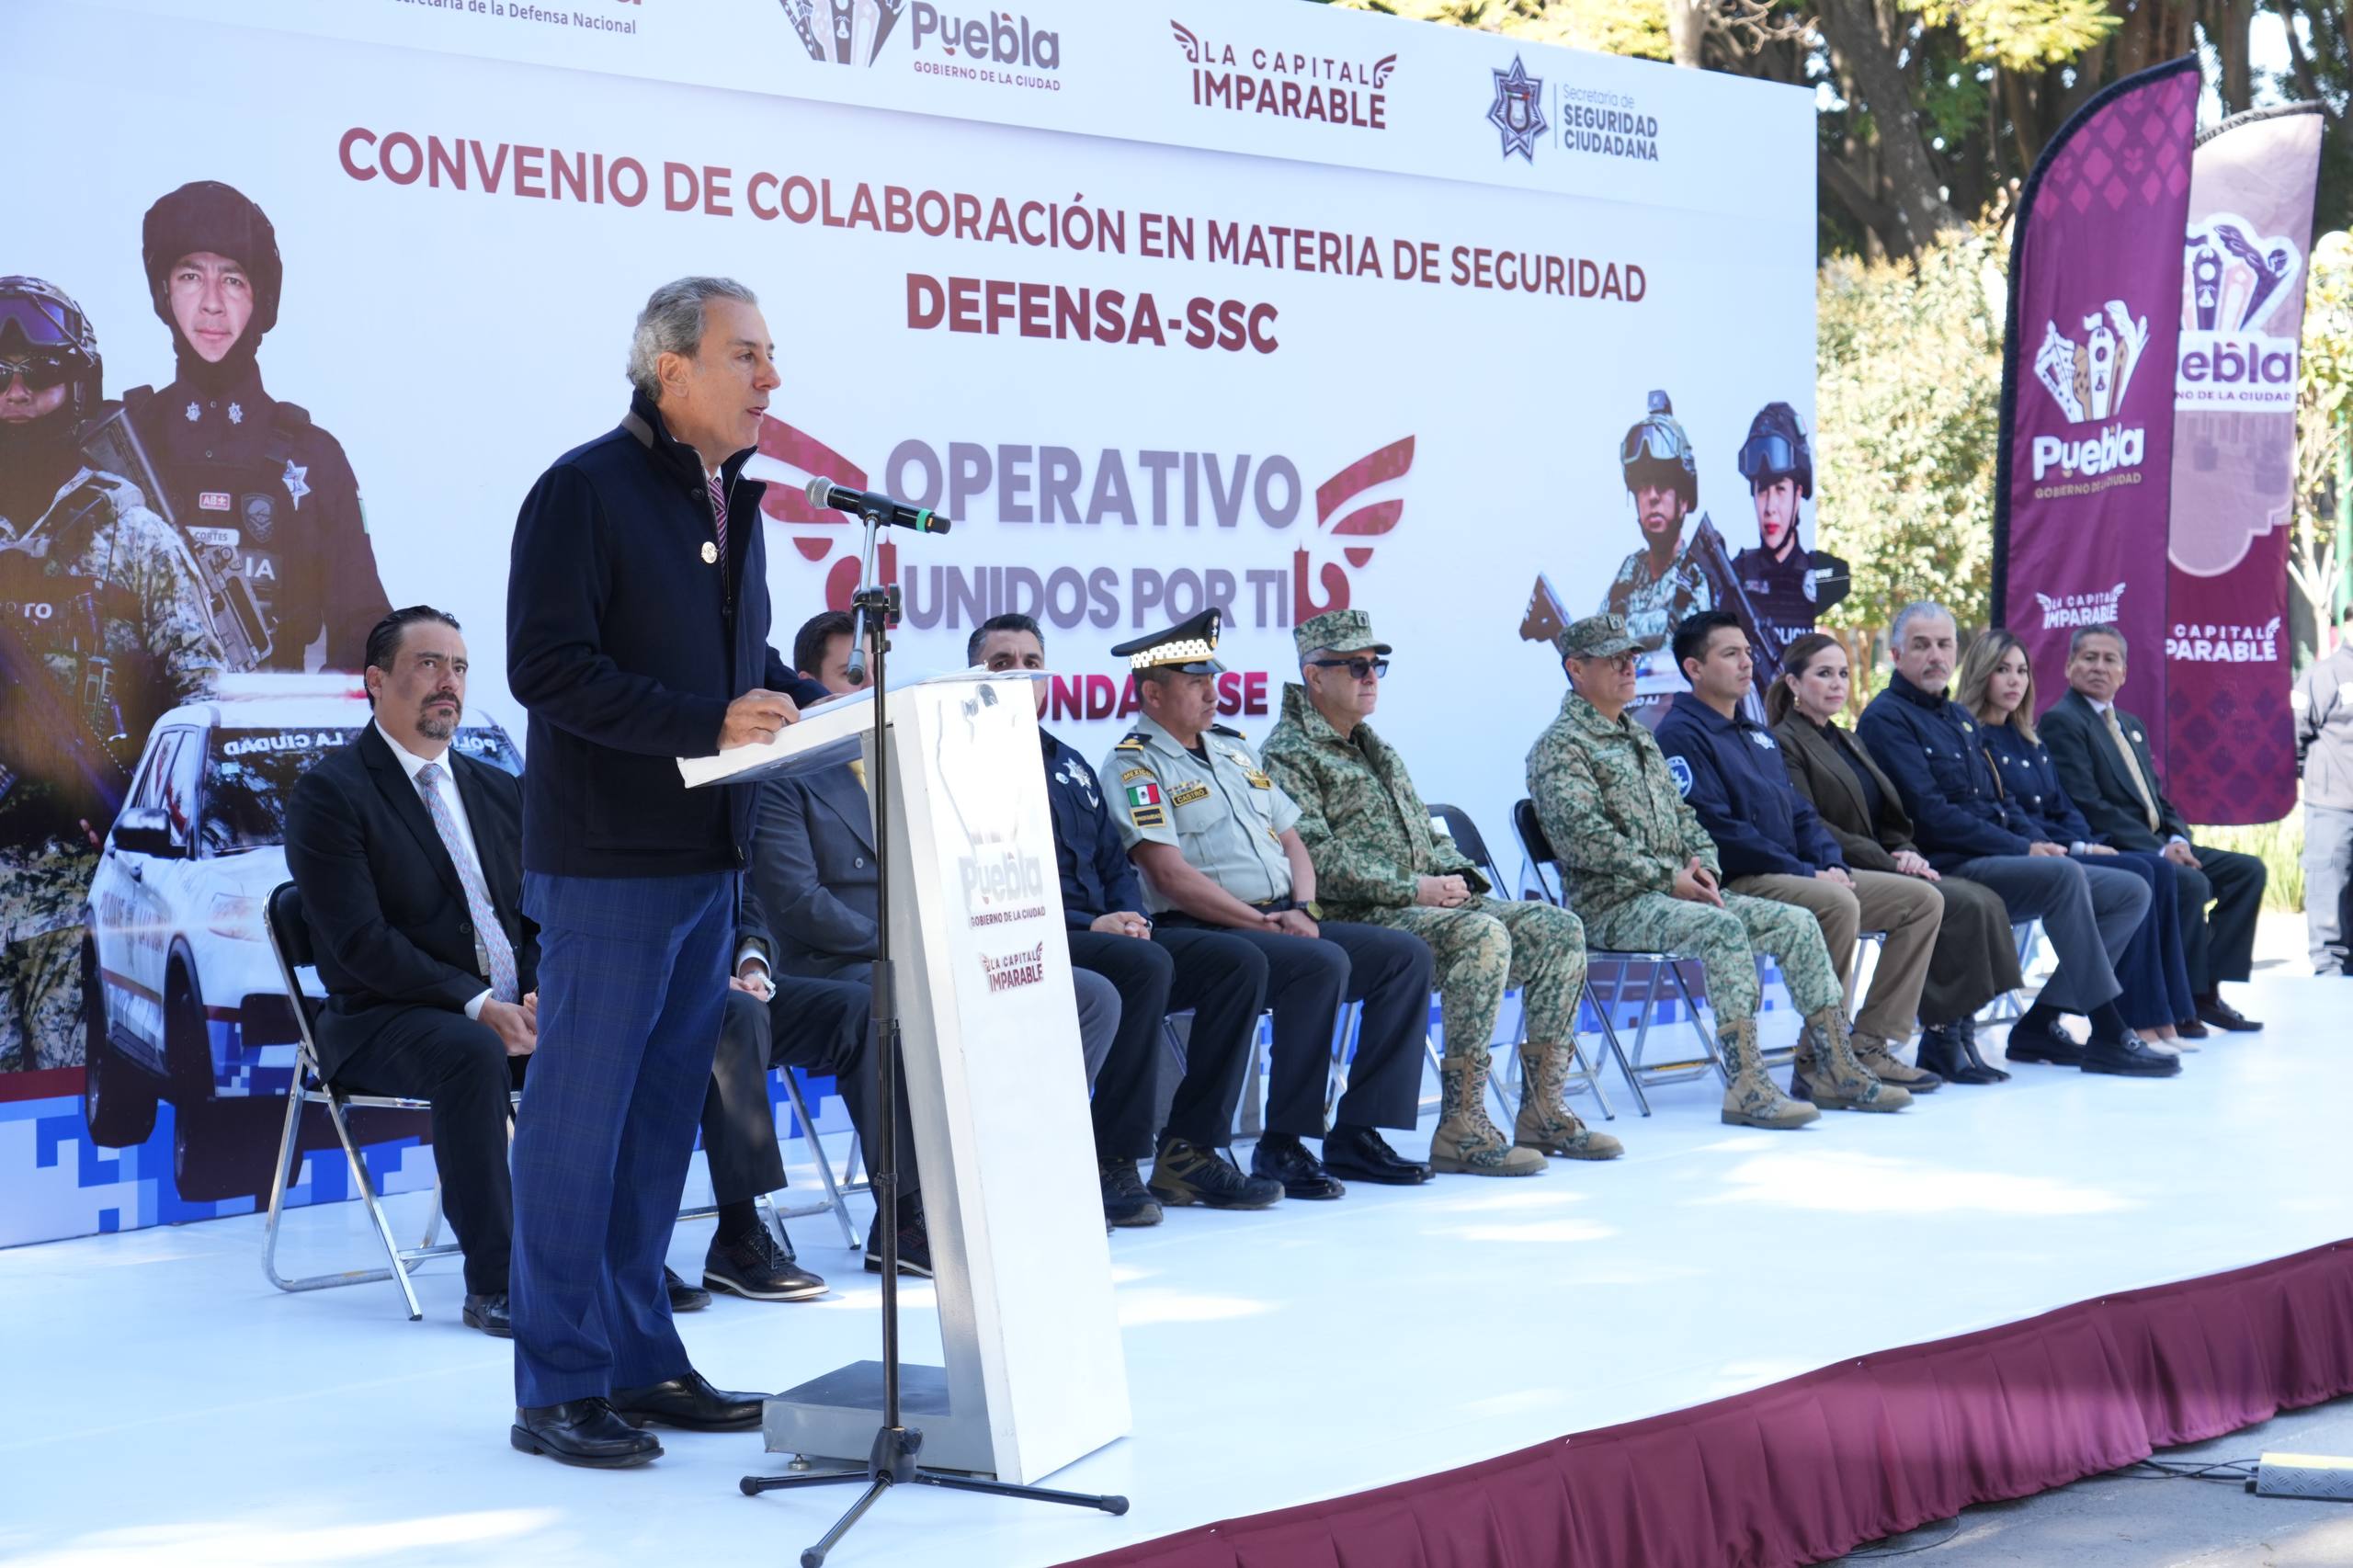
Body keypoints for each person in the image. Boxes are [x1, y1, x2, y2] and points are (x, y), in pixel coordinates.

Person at [502, 277, 823, 1468]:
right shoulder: (583, 489)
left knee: (651, 1137)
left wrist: (826, 700)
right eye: (748, 354)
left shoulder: (735, 503)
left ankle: (639, 1356)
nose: (771, 378)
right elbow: (546, 667)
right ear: (671, 367)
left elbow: (741, 666)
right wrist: (706, 719)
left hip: (705, 858)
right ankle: (559, 1382)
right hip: (610, 864)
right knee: (576, 1132)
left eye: (771, 355)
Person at [755, 609, 1128, 1251]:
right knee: (897, 1006)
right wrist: (912, 944)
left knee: (1090, 995)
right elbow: (799, 904)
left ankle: (1017, 1174)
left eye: (879, 674)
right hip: (842, 962)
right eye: (852, 676)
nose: (872, 690)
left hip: (941, 949)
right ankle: (907, 1215)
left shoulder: (921, 761)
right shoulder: (786, 777)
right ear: (808, 686)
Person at [1259, 608, 1620, 1174]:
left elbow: (1427, 833)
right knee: (1480, 936)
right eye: (1355, 666)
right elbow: (1315, 857)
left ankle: (1543, 1110)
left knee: (1557, 928)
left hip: (1416, 905)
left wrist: (1458, 879)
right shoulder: (1288, 753)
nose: (1371, 676)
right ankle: (1462, 1125)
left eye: (1376, 665)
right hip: (1353, 918)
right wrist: (1416, 887)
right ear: (1314, 676)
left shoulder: (1372, 745)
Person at [1100, 608, 1436, 1199]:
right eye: (1196, 683)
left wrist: (1303, 908)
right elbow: (1169, 875)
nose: (1213, 693)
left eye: (1213, 679)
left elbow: (1292, 840)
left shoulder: (1234, 750)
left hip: (1281, 916)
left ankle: (1357, 1132)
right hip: (1205, 927)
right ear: (1153, 694)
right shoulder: (1134, 765)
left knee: (1404, 956)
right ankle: (1282, 1142)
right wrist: (1263, 922)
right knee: (1319, 963)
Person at [969, 613, 1281, 1221]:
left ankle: (1190, 1150)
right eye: (1001, 663)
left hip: (1107, 934)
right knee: (1141, 966)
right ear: (972, 677)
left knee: (1237, 963)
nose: (1018, 675)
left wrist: (1132, 916)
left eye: (1032, 663)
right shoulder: (960, 766)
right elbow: (983, 886)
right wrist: (1091, 926)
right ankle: (1112, 1158)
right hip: (1026, 939)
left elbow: (1116, 863)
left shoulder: (1069, 763)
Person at [283, 608, 542, 1336]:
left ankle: (614, 1257)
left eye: (458, 668)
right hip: (380, 1018)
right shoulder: (331, 793)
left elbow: (539, 916)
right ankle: (496, 1281)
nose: (448, 682)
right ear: (376, 681)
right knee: (471, 1050)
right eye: (429, 664)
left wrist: (542, 989)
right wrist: (478, 1004)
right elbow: (359, 944)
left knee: (606, 1028)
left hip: (504, 1009)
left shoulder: (500, 788)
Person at [1, 276, 223, 1074]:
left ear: (78, 386)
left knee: (79, 1111)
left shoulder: (134, 538)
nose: (16, 394)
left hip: (87, 901)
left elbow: (204, 711)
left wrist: (128, 802)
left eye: (38, 374)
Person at [1526, 614, 1865, 1130]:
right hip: (1612, 905)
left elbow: (1686, 818)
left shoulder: (1638, 738)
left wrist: (1704, 867)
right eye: (1613, 660)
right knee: (1723, 929)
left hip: (1675, 894)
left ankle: (1835, 1066)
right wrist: (1669, 879)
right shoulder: (1560, 746)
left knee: (1796, 923)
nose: (1628, 667)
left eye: (1631, 657)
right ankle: (1747, 1085)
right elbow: (1586, 840)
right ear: (1576, 669)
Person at [1855, 603, 2172, 1079]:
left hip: (1992, 858)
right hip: (1945, 863)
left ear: (1956, 652)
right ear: (1897, 655)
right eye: (1921, 645)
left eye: (1944, 644)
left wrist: (2037, 841)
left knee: (2130, 890)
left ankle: (2041, 1020)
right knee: (2063, 877)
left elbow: (1997, 804)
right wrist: (2022, 849)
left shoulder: (1957, 719)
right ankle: (2109, 1030)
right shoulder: (1887, 718)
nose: (1935, 656)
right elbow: (1931, 816)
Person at [1654, 611, 1940, 1101]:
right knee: (1836, 903)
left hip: (1795, 874)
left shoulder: (1756, 734)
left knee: (1922, 900)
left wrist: (1831, 863)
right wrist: (1808, 872)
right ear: (1694, 668)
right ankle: (1821, 1061)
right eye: (1730, 654)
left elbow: (1801, 815)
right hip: (1738, 882)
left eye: (1747, 652)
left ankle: (1869, 1044)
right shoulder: (1681, 734)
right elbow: (1718, 833)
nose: (1746, 663)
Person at [124, 181, 390, 671]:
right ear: (164, 292)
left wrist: (306, 712)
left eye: (233, 280)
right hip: (141, 720)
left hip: (272, 713)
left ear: (261, 300)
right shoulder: (123, 445)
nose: (211, 303)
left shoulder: (314, 457)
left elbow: (365, 630)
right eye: (190, 276)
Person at [1768, 632, 2023, 1085]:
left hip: (1877, 865)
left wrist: (1905, 849)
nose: (1837, 683)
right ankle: (1922, 1035)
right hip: (1829, 868)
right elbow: (1810, 825)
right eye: (1824, 674)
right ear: (1793, 683)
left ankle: (1929, 1034)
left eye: (1843, 673)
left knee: (1976, 898)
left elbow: (1891, 815)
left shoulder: (1848, 740)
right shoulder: (1784, 742)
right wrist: (1889, 861)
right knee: (1958, 901)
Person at [1961, 630, 2198, 1052]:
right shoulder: (1974, 738)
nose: (2014, 681)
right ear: (1981, 674)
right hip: (2023, 854)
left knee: (2152, 870)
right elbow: (2008, 813)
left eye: (2021, 671)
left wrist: (2087, 842)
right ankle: (2137, 1017)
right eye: (2002, 670)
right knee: (2143, 871)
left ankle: (2159, 1017)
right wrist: (2081, 849)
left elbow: (2063, 806)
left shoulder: (2028, 737)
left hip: (2056, 848)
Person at [2039, 624, 2267, 1029]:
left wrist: (2178, 839)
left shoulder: (2129, 724)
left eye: (2110, 660)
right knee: (2190, 883)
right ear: (2069, 666)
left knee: (2247, 871)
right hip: (2113, 847)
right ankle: (2182, 1004)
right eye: (2089, 658)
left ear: (2124, 673)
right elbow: (2089, 805)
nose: (2099, 667)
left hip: (2159, 842)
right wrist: (2160, 851)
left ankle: (2206, 990)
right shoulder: (2062, 721)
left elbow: (2156, 798)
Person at [1599, 390, 1717, 717]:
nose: (1651, 497)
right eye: (1642, 487)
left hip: (1681, 725)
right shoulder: (1627, 575)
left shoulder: (1701, 576)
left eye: (1663, 486)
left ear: (1684, 499)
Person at [1729, 403, 1847, 663]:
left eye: (1780, 489)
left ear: (1798, 494)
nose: (1770, 507)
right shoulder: (1734, 576)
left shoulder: (1830, 574)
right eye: (1762, 490)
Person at [2296, 598, 2353, 974]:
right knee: (2330, 908)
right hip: (2334, 810)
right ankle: (2331, 986)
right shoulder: (2324, 675)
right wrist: (2320, 779)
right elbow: (2294, 735)